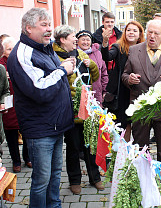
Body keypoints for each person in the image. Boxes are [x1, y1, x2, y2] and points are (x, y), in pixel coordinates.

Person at [7, 8, 75, 208]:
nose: (49, 29)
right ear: (29, 28)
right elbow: (40, 89)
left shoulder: (44, 47)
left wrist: (61, 70)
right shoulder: (22, 53)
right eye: (44, 25)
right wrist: (62, 70)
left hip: (55, 124)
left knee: (54, 176)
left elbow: (50, 78)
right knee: (41, 181)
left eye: (49, 24)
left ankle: (54, 206)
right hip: (40, 128)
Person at [122, 19, 161, 192]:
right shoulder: (134, 51)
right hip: (140, 107)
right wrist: (129, 79)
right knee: (141, 144)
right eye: (150, 32)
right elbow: (124, 75)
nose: (152, 36)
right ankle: (142, 175)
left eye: (156, 33)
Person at [52, 26, 102, 195]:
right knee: (73, 146)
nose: (76, 40)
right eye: (73, 37)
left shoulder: (80, 54)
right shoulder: (54, 57)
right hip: (69, 110)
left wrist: (92, 65)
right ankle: (74, 180)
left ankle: (95, 178)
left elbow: (93, 77)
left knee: (90, 145)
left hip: (86, 109)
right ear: (62, 39)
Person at [101, 21, 145, 141]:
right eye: (129, 30)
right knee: (121, 122)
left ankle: (130, 150)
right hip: (120, 90)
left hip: (137, 89)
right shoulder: (118, 46)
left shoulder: (144, 48)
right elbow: (107, 57)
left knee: (132, 122)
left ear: (140, 34)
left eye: (135, 30)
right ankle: (120, 149)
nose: (131, 33)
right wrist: (105, 42)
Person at [0, 36, 31, 173]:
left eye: (13, 48)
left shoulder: (20, 60)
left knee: (27, 132)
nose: (12, 51)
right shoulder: (0, 65)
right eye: (8, 49)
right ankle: (16, 160)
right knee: (11, 133)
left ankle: (27, 157)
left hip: (22, 101)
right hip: (8, 102)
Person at [76, 30, 108, 107]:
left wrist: (104, 90)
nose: (85, 42)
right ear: (77, 41)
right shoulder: (74, 53)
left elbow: (104, 73)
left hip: (97, 92)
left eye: (88, 40)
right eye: (83, 40)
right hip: (80, 93)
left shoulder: (97, 53)